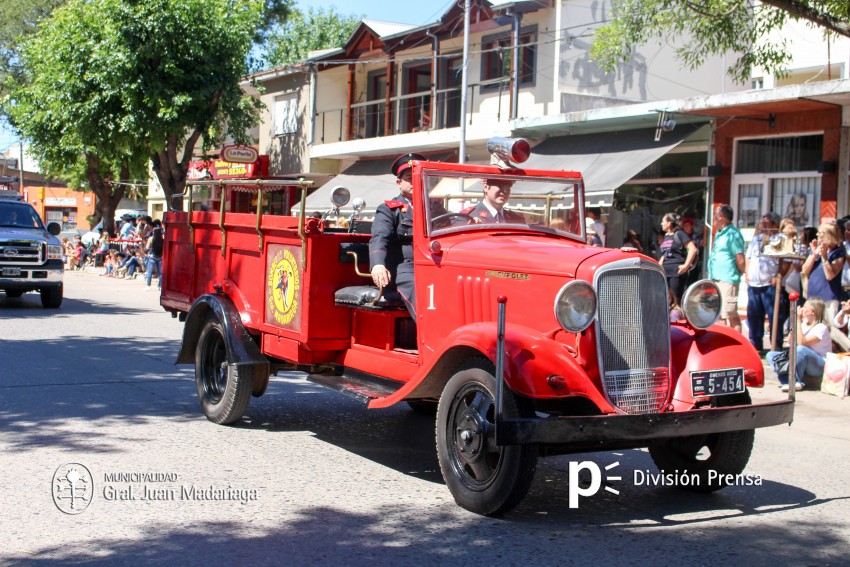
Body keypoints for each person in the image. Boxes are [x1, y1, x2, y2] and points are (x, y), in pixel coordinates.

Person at [369, 152, 424, 319]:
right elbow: (379, 238)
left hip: (431, 265)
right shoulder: (388, 210)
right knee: (421, 289)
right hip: (405, 268)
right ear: (399, 183)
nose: (414, 180)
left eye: (418, 176)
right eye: (409, 177)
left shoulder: (434, 209)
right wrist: (377, 265)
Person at [766, 297, 831, 392]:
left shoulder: (821, 327)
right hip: (800, 358)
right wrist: (795, 321)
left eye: (805, 307)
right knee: (771, 355)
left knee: (800, 349)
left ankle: (795, 381)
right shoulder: (803, 323)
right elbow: (790, 340)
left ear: (813, 311)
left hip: (819, 364)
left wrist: (798, 321)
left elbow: (802, 343)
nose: (802, 309)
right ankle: (787, 382)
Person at [744, 212, 783, 352]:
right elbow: (748, 257)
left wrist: (779, 276)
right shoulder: (757, 239)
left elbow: (786, 262)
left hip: (769, 285)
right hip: (754, 284)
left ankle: (776, 346)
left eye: (766, 224)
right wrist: (747, 272)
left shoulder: (780, 239)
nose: (763, 226)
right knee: (754, 316)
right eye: (762, 223)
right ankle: (756, 345)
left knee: (774, 316)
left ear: (774, 225)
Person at [708, 204, 746, 332]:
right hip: (716, 278)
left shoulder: (733, 234)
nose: (713, 218)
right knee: (718, 314)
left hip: (728, 279)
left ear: (721, 217)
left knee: (730, 313)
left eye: (715, 215)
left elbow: (740, 259)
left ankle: (737, 346)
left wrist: (738, 273)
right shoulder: (719, 234)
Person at [658, 212, 698, 307]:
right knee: (667, 302)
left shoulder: (679, 234)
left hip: (676, 272)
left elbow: (693, 249)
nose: (661, 223)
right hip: (665, 272)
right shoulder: (666, 236)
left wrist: (686, 266)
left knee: (677, 302)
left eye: (663, 221)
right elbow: (665, 255)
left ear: (669, 223)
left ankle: (678, 320)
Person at [145, 219, 164, 290]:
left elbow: (147, 248)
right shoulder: (162, 239)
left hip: (152, 256)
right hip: (160, 256)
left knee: (149, 271)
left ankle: (148, 285)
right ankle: (160, 286)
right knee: (160, 272)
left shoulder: (151, 238)